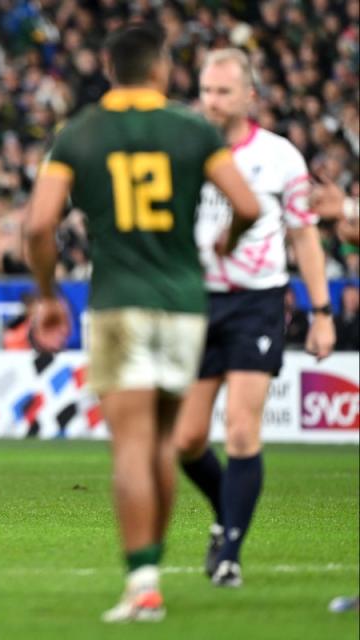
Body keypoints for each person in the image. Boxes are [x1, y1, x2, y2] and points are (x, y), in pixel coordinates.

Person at [25, 26, 259, 623]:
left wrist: (49, 296)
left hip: (120, 301)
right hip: (184, 303)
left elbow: (37, 226)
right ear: (161, 71)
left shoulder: (80, 133)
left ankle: (144, 583)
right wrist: (226, 240)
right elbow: (249, 205)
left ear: (110, 70)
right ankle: (151, 574)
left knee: (131, 444)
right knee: (160, 442)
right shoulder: (193, 129)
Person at [175, 48, 336, 588]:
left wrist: (321, 311)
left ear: (250, 95)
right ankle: (228, 513)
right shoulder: (181, 149)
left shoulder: (281, 157)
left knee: (243, 431)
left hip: (257, 301)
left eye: (224, 91)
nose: (213, 101)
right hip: (197, 303)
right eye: (207, 90)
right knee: (187, 441)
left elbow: (304, 234)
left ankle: (230, 554)